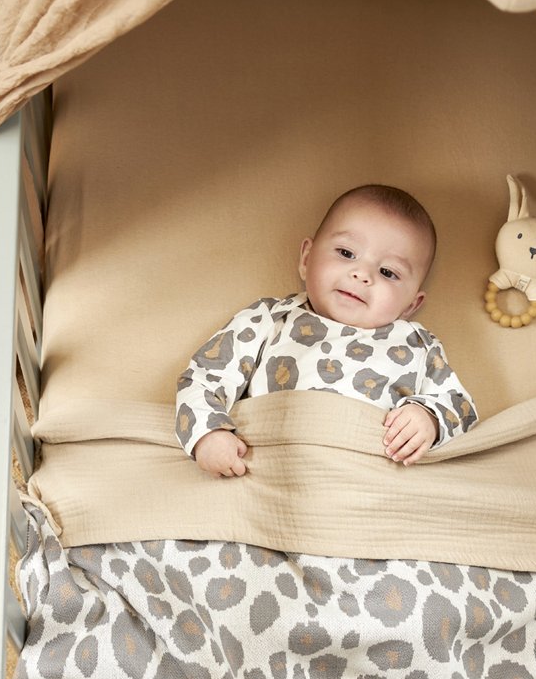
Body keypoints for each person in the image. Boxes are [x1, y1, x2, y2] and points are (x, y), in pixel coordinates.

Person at [175, 184, 478, 478]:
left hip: (366, 478)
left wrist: (428, 417)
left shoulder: (418, 345)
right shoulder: (270, 318)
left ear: (411, 304)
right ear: (307, 259)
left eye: (388, 272)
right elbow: (203, 377)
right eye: (346, 253)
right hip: (269, 468)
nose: (362, 274)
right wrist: (208, 433)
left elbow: (459, 405)